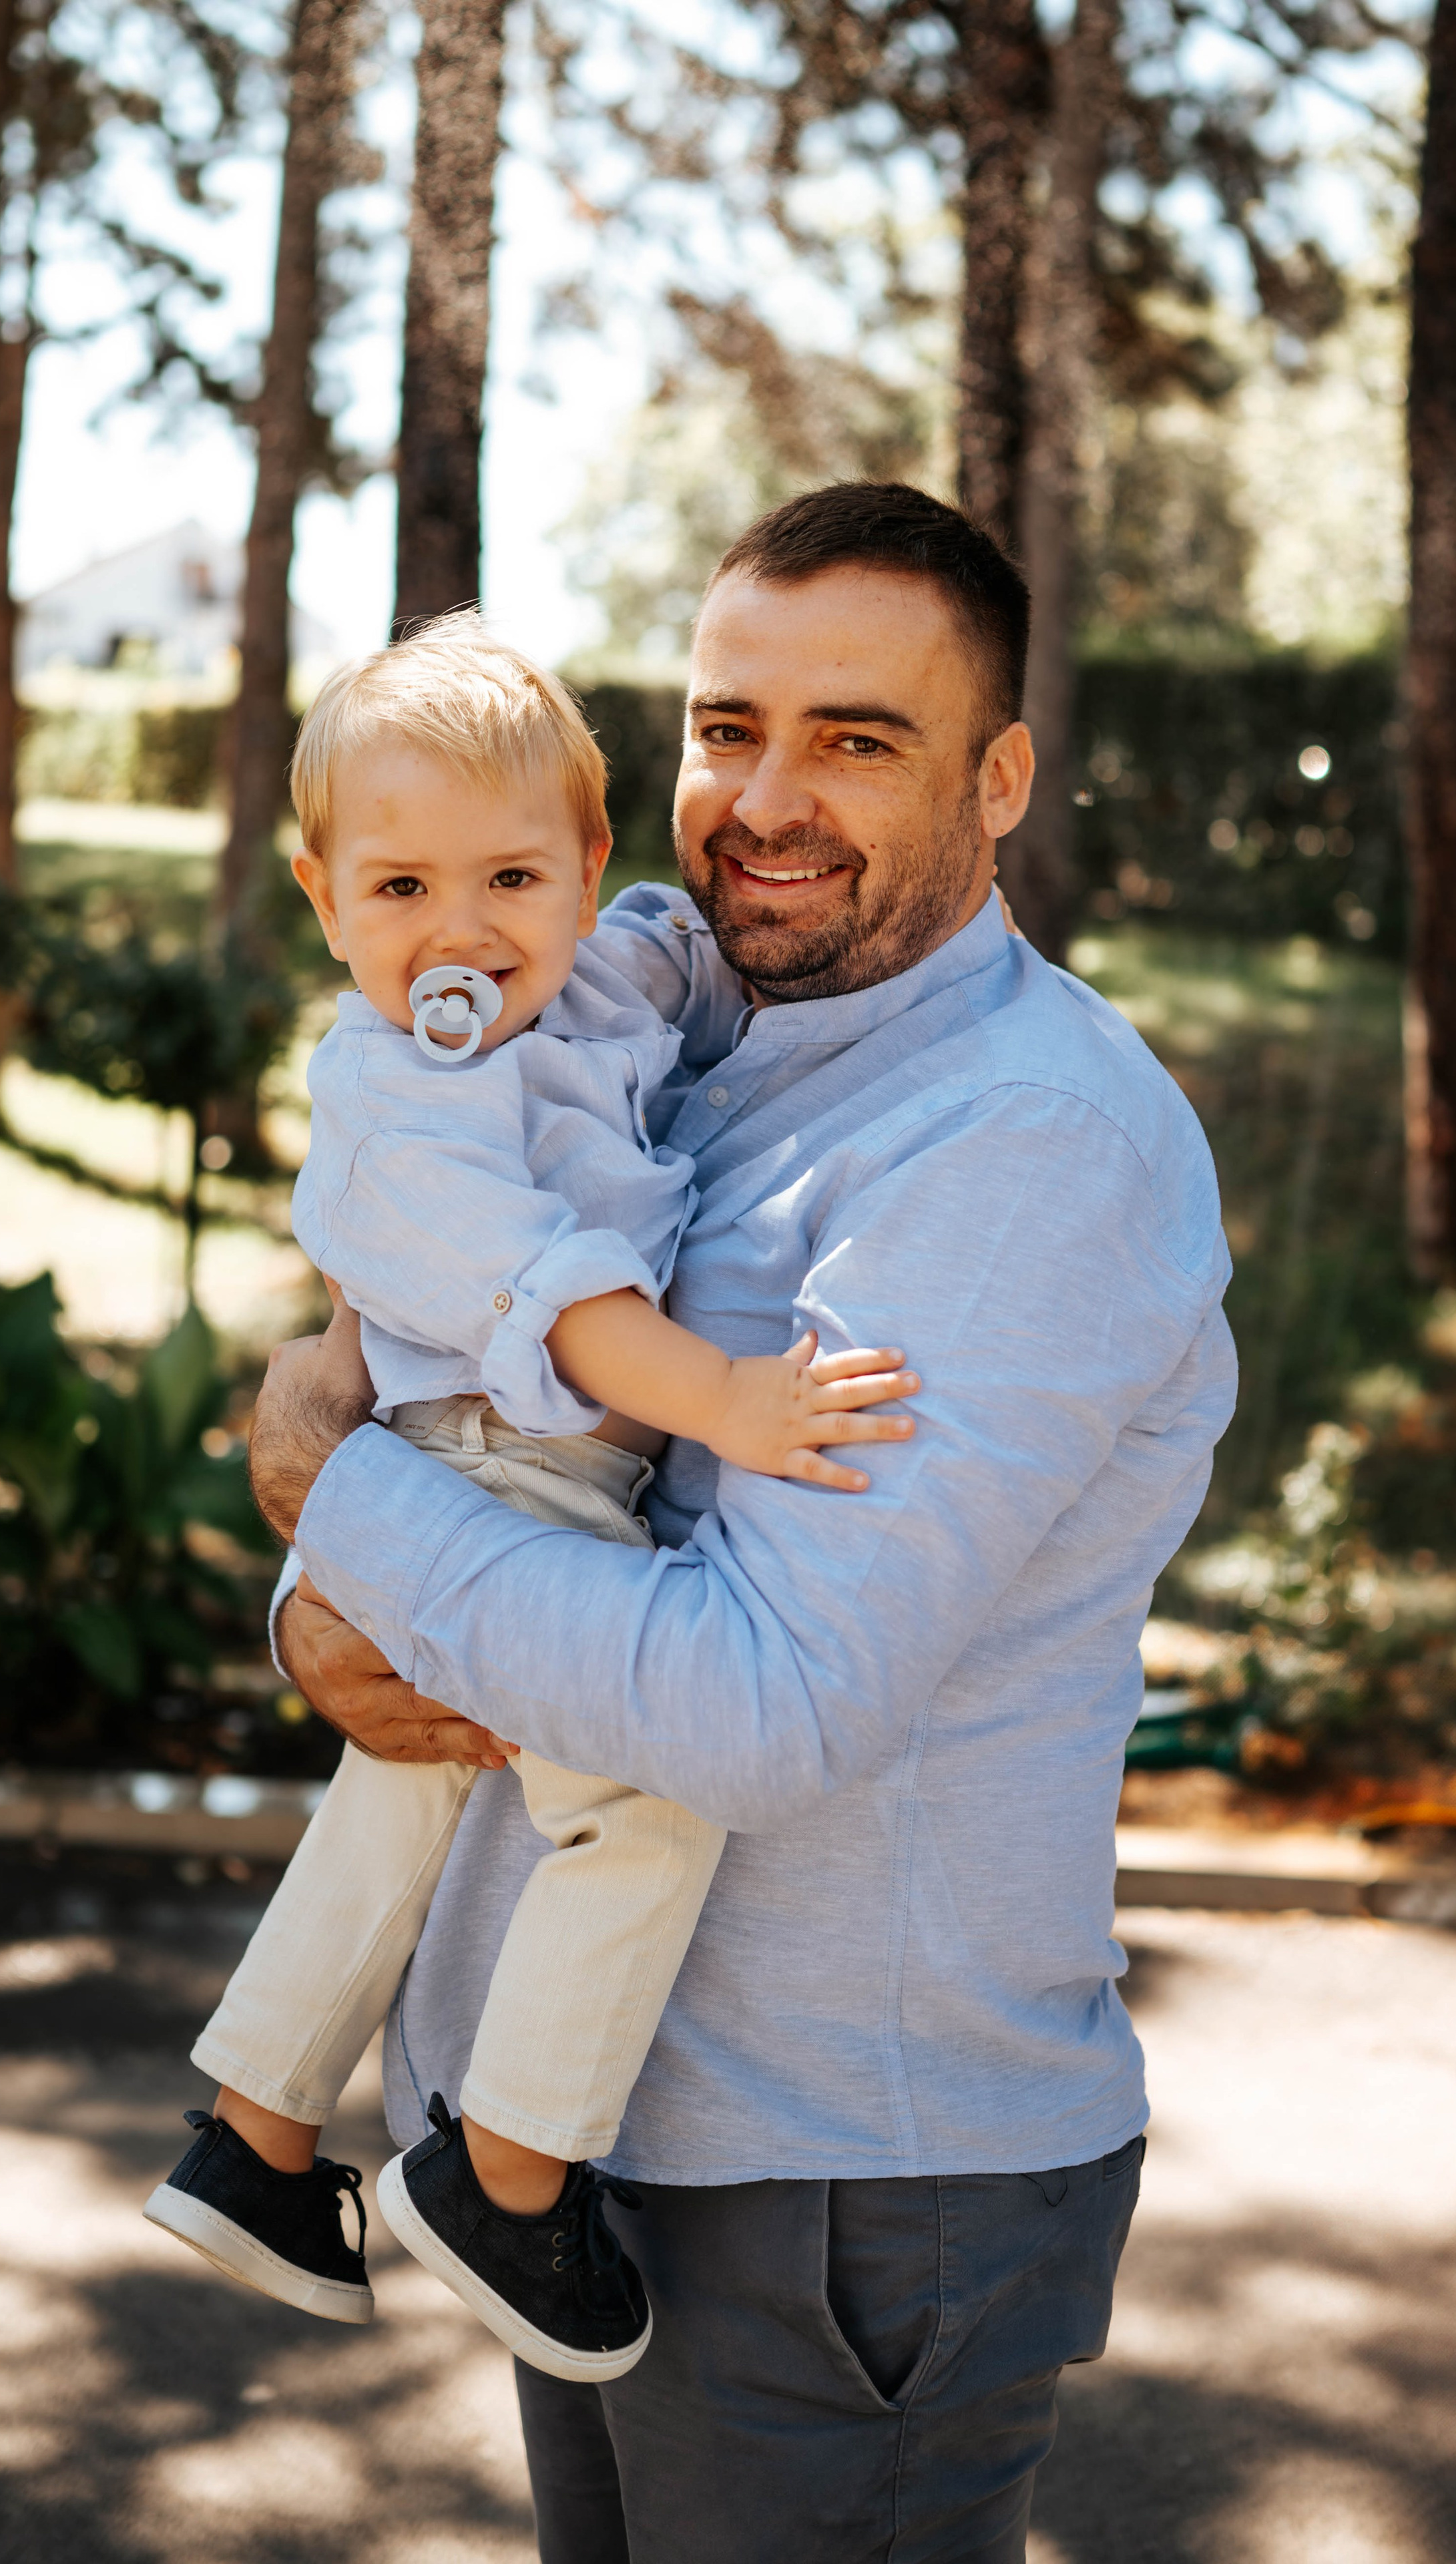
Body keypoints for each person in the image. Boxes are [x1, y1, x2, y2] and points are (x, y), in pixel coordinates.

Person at [249, 483, 1237, 2562]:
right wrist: (321, 1595)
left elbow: (762, 1713)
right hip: (600, 2161)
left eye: (856, 741)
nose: (766, 801)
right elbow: (481, 1410)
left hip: (841, 2200)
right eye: (726, 727)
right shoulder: (681, 1031)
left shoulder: (1020, 1142)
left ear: (1001, 779)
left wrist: (329, 1494)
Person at [144, 617, 913, 2378]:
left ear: (588, 873)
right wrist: (724, 1398)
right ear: (324, 902)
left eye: (512, 875)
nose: (460, 931)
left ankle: (256, 2141)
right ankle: (509, 2175)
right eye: (400, 886)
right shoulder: (394, 1096)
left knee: (401, 1792)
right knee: (646, 1805)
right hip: (503, 1471)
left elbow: (676, 951)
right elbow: (552, 1289)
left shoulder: (600, 980)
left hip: (513, 1477)